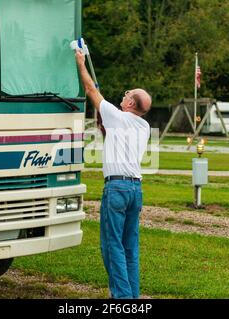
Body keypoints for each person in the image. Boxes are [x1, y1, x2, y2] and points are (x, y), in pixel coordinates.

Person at [75, 49, 152, 299]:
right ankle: (132, 297)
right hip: (135, 190)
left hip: (117, 189)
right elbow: (113, 134)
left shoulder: (117, 117)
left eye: (128, 94)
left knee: (112, 247)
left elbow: (89, 89)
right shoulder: (144, 126)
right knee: (130, 247)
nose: (125, 94)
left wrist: (80, 62)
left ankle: (121, 299)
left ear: (130, 103)